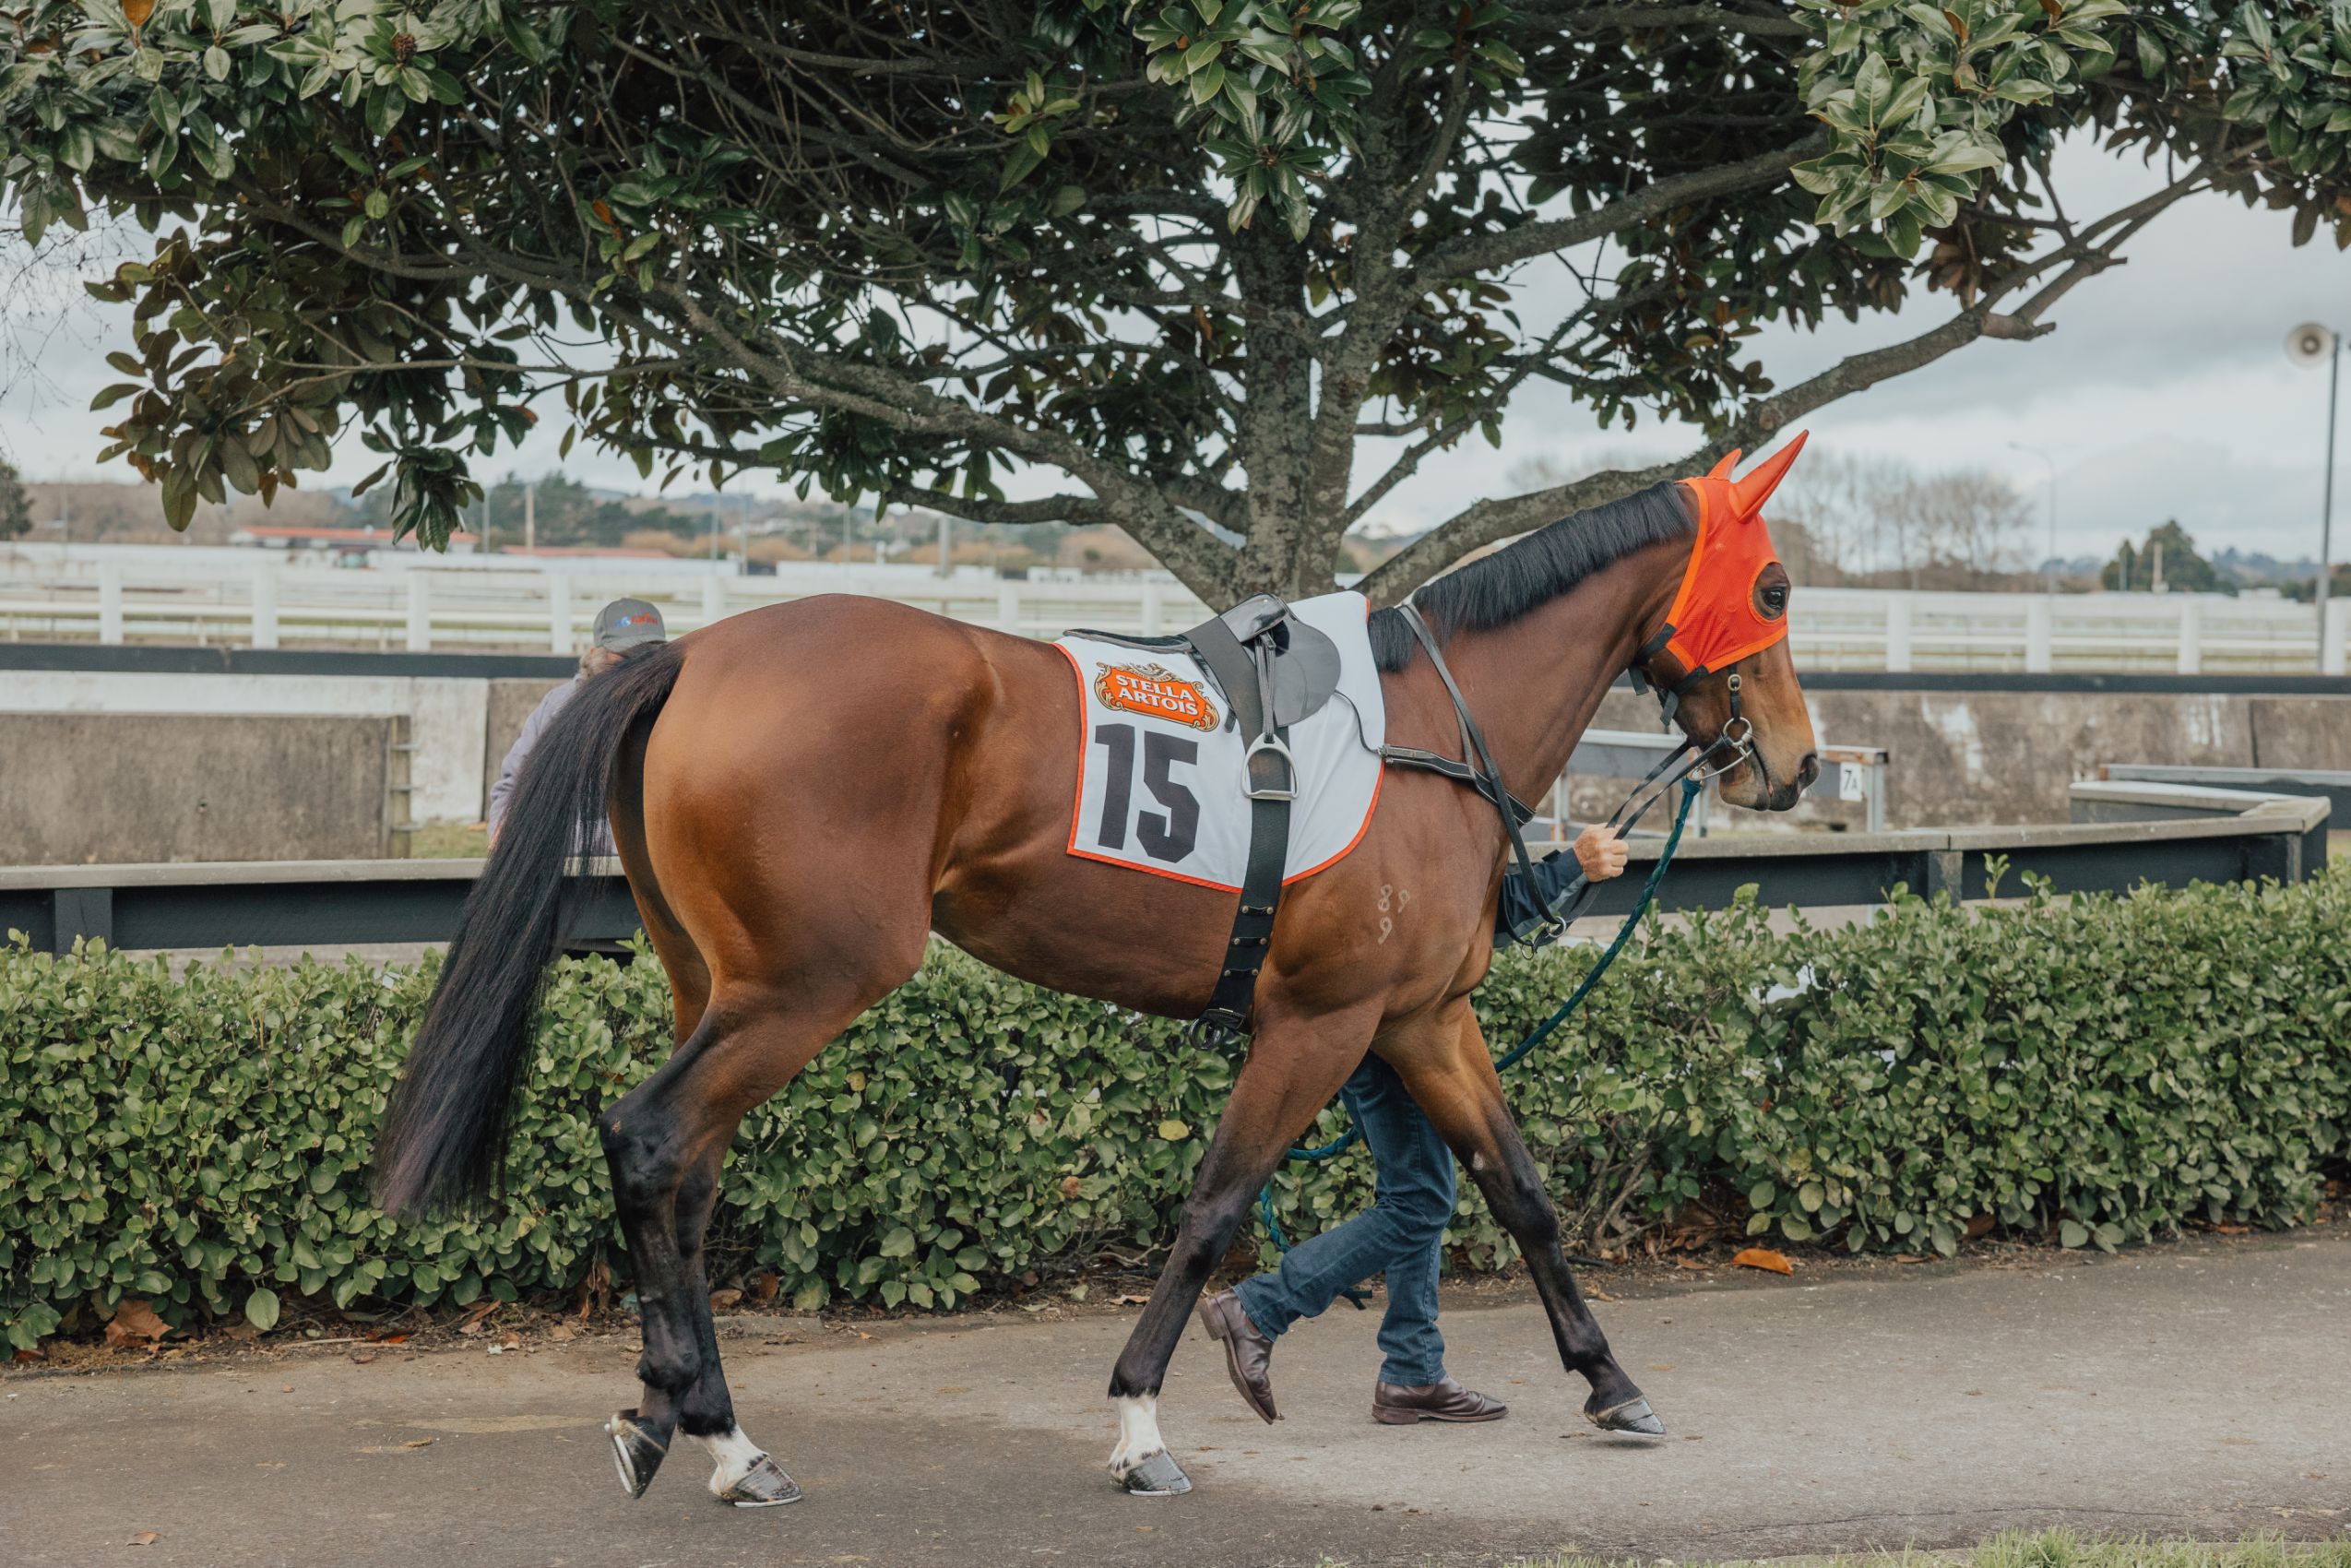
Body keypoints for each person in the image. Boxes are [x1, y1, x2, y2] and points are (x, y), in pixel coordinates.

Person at [1198, 820, 1630, 1427]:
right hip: (1393, 1023)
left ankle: (1412, 1371)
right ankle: (1260, 1309)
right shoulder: (1429, 795)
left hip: (1388, 1012)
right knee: (1421, 1201)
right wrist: (1569, 869)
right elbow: (1465, 916)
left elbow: (1457, 914)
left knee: (1415, 1191)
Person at [488, 598, 669, 851]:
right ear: (596, 654)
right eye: (625, 658)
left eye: (648, 657)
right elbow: (513, 783)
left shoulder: (669, 712)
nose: (636, 670)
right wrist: (503, 828)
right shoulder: (558, 705)